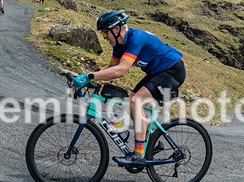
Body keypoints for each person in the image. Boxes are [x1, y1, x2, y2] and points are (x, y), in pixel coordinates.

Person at [71, 9, 185, 165]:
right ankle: (153, 141)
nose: (105, 38)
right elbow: (111, 67)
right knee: (130, 98)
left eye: (105, 33)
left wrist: (89, 77)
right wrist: (86, 79)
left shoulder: (136, 38)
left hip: (172, 71)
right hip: (156, 73)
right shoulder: (119, 45)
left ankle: (138, 155)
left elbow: (121, 70)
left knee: (136, 101)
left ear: (116, 29)